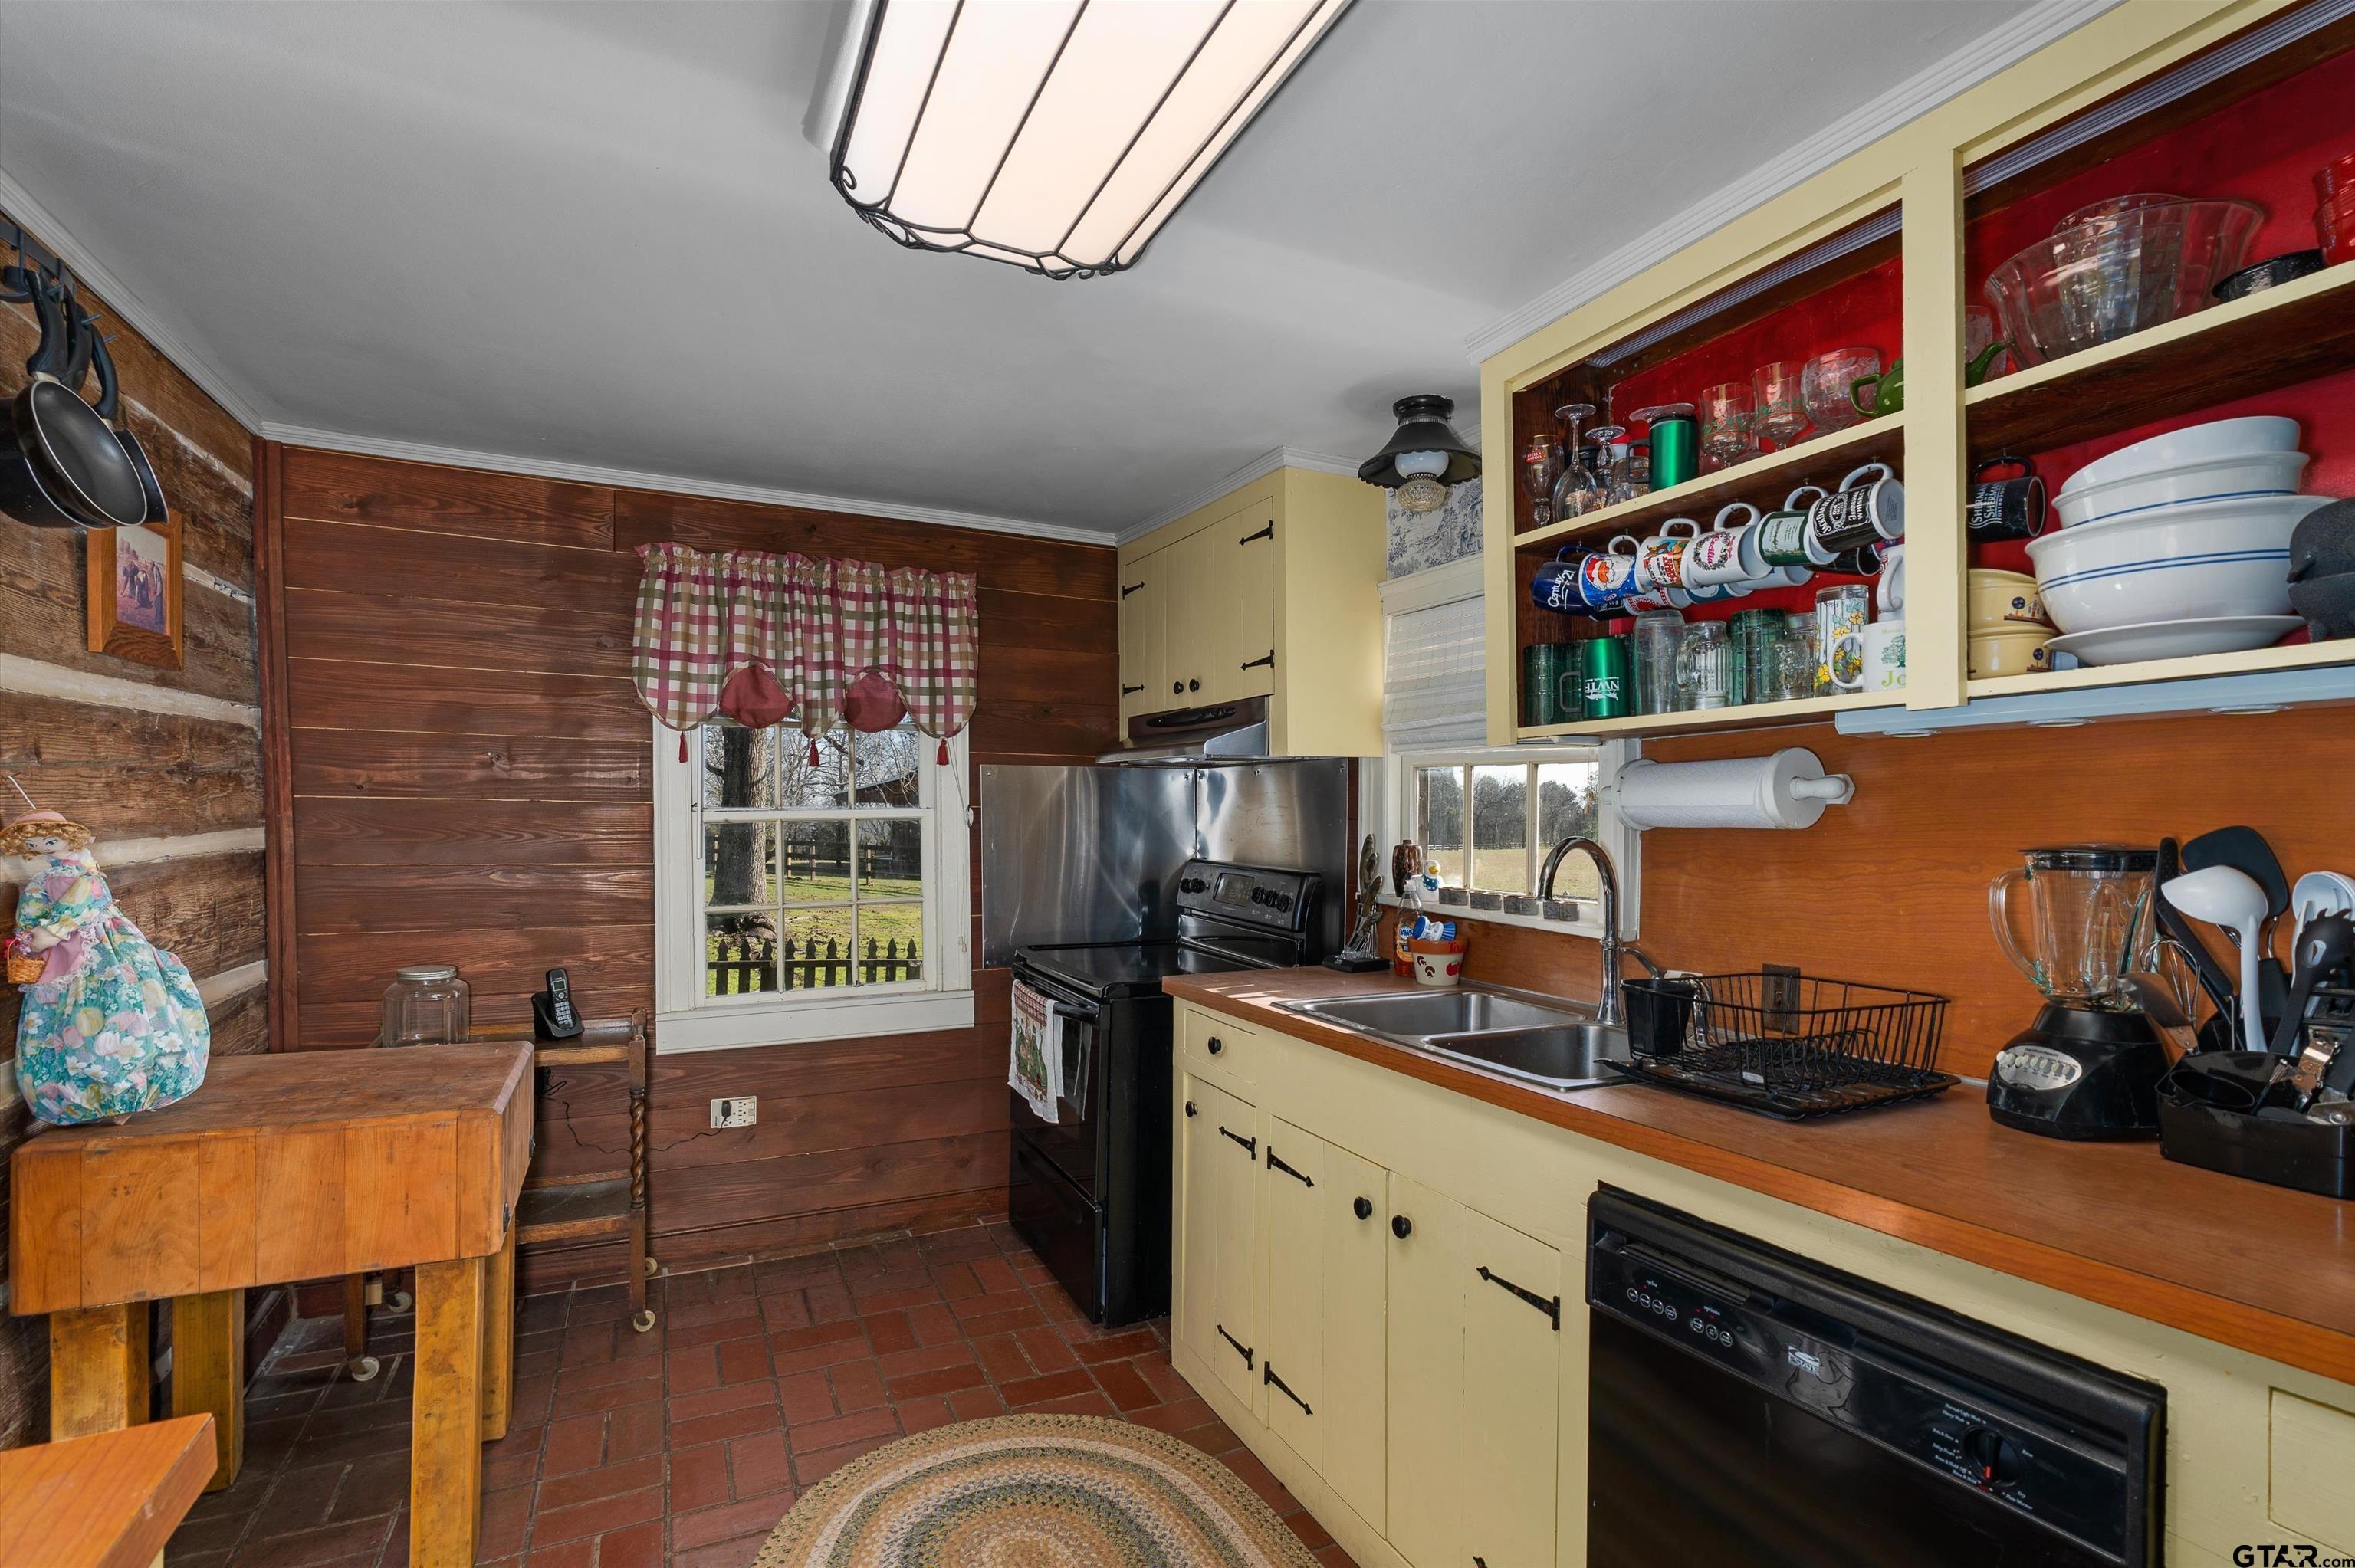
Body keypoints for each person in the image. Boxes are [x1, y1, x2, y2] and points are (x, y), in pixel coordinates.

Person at [5, 805, 210, 1124]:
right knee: (72, 1015)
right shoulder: (47, 879)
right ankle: (89, 1098)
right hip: (65, 952)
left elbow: (86, 901)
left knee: (116, 1004)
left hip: (100, 946)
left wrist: (49, 931)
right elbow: (31, 913)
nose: (42, 848)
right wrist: (30, 935)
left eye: (49, 842)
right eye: (33, 845)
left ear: (66, 838)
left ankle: (124, 1093)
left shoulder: (87, 876)